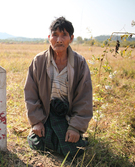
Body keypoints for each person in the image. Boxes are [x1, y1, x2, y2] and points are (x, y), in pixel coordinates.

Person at [24, 17, 93, 160]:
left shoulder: (80, 63)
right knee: (39, 142)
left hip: (68, 115)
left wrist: (75, 127)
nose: (59, 40)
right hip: (46, 114)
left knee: (72, 149)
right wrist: (37, 122)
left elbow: (84, 97)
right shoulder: (39, 61)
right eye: (55, 35)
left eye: (64, 35)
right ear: (49, 38)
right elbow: (31, 93)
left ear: (71, 38)